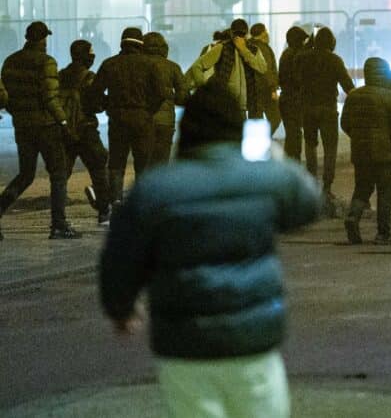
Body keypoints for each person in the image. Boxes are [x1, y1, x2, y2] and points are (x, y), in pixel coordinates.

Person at [99, 84, 319, 418]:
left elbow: (121, 258)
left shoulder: (155, 188)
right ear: (237, 129)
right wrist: (274, 158)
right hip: (251, 341)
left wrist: (121, 309)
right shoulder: (264, 179)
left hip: (184, 344)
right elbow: (308, 205)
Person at [0, 22, 79, 240]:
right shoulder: (46, 62)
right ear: (42, 39)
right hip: (46, 127)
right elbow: (50, 98)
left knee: (26, 175)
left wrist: (17, 112)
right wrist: (64, 123)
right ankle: (59, 224)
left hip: (22, 126)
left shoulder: (10, 61)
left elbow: (5, 96)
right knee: (59, 173)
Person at [89, 27, 166, 202]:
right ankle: (141, 202)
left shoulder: (110, 64)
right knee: (143, 164)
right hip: (143, 120)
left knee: (116, 164)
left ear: (122, 43)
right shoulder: (150, 64)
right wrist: (148, 110)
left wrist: (108, 104)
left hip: (117, 120)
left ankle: (115, 201)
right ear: (141, 44)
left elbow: (94, 92)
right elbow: (161, 94)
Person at [341, 57, 391, 245]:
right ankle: (383, 233)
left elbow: (345, 124)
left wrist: (358, 137)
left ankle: (353, 217)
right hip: (386, 153)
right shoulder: (390, 96)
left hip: (361, 152)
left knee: (362, 188)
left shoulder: (354, 96)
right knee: (385, 192)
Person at [298, 27, 354, 216]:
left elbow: (295, 82)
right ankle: (327, 186)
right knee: (330, 148)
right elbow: (347, 84)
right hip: (328, 108)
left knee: (310, 144)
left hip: (307, 107)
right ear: (331, 42)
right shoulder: (334, 60)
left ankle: (311, 182)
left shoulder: (302, 58)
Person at [59, 40, 113, 226]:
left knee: (61, 174)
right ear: (85, 56)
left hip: (65, 131)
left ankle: (58, 218)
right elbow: (96, 103)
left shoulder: (60, 75)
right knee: (98, 169)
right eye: (91, 53)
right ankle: (104, 212)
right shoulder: (89, 77)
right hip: (86, 128)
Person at [142, 32, 189, 166]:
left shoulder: (137, 65)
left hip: (142, 120)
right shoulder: (173, 67)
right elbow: (183, 97)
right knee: (161, 162)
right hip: (165, 121)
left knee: (143, 162)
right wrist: (170, 96)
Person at [277, 26, 310, 162]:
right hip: (294, 100)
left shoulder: (286, 54)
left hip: (286, 99)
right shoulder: (296, 56)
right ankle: (293, 164)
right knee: (295, 135)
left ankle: (289, 163)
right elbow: (298, 78)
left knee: (292, 134)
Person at [249, 23, 281, 133]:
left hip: (252, 89)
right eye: (266, 30)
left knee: (256, 120)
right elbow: (267, 70)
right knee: (275, 118)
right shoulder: (263, 48)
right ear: (263, 33)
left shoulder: (249, 46)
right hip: (265, 89)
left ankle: (258, 143)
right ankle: (265, 138)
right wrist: (273, 89)